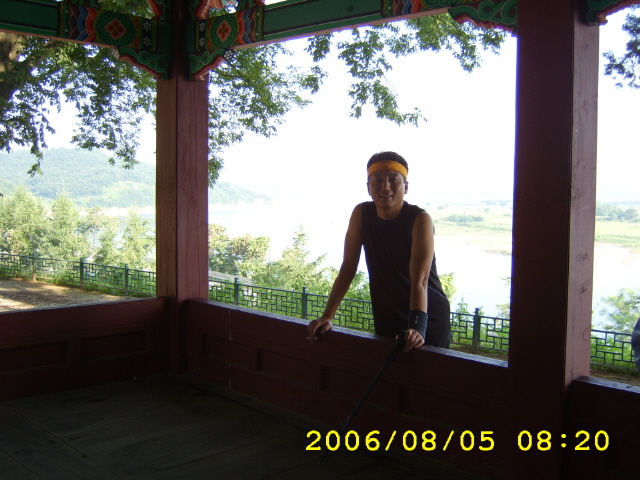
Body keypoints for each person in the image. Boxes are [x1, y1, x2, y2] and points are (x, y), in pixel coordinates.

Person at [308, 151, 451, 352]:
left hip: (426, 315)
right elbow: (348, 267)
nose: (385, 187)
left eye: (393, 180)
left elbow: (421, 280)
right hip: (387, 311)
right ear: (368, 187)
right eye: (377, 180)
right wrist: (327, 316)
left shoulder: (419, 219)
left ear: (406, 186)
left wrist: (417, 326)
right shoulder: (361, 214)